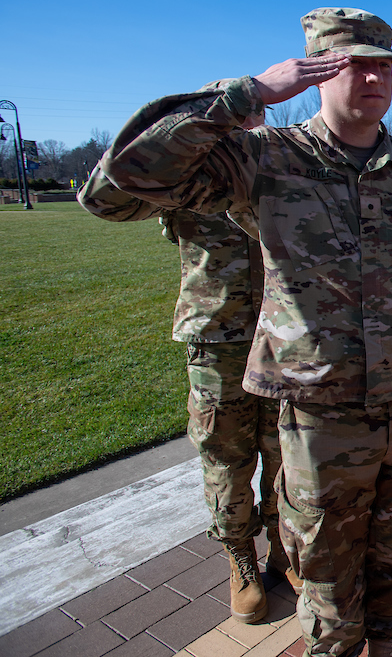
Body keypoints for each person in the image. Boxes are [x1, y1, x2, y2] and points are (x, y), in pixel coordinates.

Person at [100, 7, 392, 657]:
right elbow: (119, 182)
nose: (374, 78)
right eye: (354, 64)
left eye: (384, 66)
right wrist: (245, 95)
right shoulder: (265, 159)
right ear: (314, 73)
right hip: (323, 421)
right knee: (325, 584)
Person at [78, 131, 298, 623]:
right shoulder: (183, 176)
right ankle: (240, 556)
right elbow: (102, 192)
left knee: (286, 450)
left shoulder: (277, 168)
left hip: (282, 335)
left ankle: (285, 550)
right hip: (216, 339)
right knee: (226, 453)